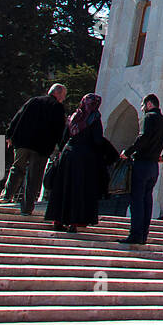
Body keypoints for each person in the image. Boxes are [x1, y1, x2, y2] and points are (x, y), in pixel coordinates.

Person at [118, 94, 163, 245]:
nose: (142, 109)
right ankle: (143, 236)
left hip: (142, 164)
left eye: (143, 105)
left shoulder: (149, 118)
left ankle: (135, 234)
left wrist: (127, 152)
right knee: (147, 201)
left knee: (137, 201)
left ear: (148, 104)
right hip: (153, 167)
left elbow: (143, 137)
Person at [0, 84, 68, 214]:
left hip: (23, 142)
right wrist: (61, 147)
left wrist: (9, 135)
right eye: (63, 95)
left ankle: (7, 194)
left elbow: (18, 117)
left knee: (16, 167)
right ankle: (26, 207)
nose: (63, 98)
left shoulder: (34, 101)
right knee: (34, 177)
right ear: (58, 94)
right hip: (41, 147)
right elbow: (59, 130)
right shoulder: (57, 108)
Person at [44, 93, 107, 233]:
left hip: (67, 155)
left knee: (63, 187)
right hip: (84, 158)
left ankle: (58, 220)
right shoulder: (94, 118)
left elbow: (64, 138)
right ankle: (74, 222)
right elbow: (97, 140)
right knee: (78, 189)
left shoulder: (74, 116)